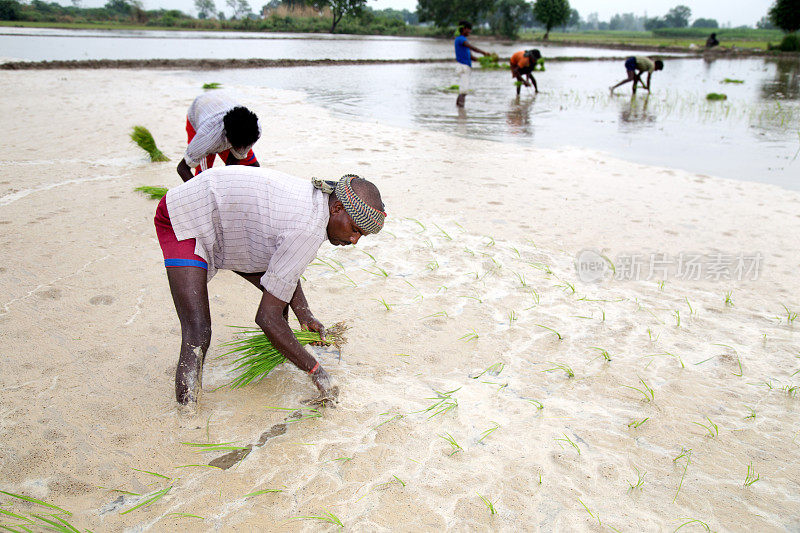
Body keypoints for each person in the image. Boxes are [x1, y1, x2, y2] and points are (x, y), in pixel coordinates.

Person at [154, 166, 386, 407]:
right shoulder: (309, 228)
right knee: (198, 331)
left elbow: (284, 272)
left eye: (361, 236)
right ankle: (187, 412)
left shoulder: (318, 203)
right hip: (186, 215)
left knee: (280, 302)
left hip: (229, 224)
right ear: (337, 208)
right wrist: (318, 372)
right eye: (355, 230)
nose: (354, 240)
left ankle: (281, 365)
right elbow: (266, 318)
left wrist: (305, 316)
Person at [176, 93, 261, 182]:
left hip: (221, 104)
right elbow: (182, 168)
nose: (241, 149)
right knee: (204, 177)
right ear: (228, 139)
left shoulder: (255, 129)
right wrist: (197, 191)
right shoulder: (206, 138)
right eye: (237, 146)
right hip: (200, 111)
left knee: (252, 167)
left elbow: (232, 165)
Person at [454, 20, 492, 108]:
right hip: (463, 67)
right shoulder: (461, 39)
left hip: (465, 66)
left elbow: (472, 57)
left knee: (463, 90)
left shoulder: (463, 41)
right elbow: (472, 47)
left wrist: (484, 60)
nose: (470, 32)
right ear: (464, 29)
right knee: (463, 91)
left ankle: (459, 110)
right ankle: (461, 113)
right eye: (468, 29)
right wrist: (484, 53)